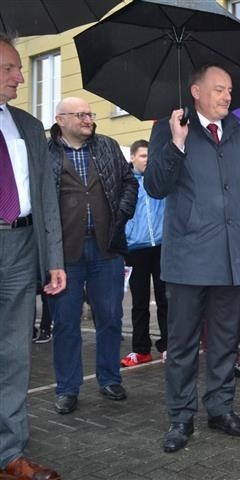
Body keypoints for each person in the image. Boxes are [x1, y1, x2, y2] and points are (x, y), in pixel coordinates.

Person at [145, 64, 240, 453]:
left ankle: (220, 408)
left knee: (226, 340)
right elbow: (156, 186)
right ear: (195, 91)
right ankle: (180, 416)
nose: (227, 96)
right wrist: (176, 143)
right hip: (189, 257)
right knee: (182, 345)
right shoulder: (170, 126)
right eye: (219, 89)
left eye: (229, 90)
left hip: (232, 256)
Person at [0, 33, 65, 480]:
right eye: (9, 68)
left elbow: (45, 198)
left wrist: (54, 259)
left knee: (14, 355)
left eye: (19, 68)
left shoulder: (26, 126)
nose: (20, 77)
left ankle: (9, 454)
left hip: (22, 247)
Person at [47, 97, 138, 416]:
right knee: (66, 323)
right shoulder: (47, 154)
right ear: (61, 119)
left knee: (111, 317)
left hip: (106, 249)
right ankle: (67, 388)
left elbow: (129, 183)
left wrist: (123, 213)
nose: (88, 119)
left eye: (90, 113)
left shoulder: (108, 146)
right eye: (81, 114)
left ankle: (110, 378)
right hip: (64, 255)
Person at [121, 139, 168, 367]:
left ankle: (168, 345)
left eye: (150, 156)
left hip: (161, 246)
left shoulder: (158, 181)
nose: (147, 160)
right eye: (142, 156)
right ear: (132, 157)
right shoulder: (125, 183)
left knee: (165, 299)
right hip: (135, 249)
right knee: (139, 302)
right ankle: (141, 349)